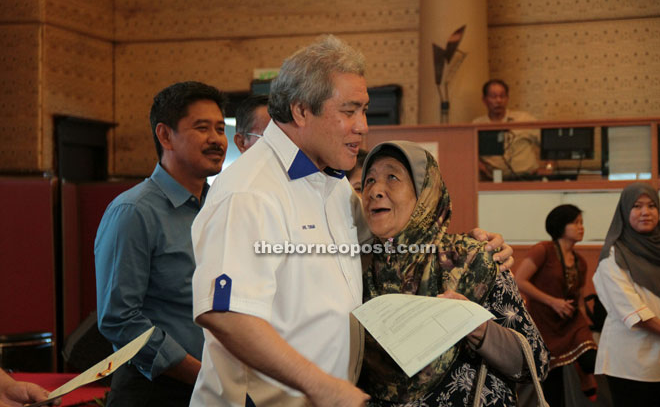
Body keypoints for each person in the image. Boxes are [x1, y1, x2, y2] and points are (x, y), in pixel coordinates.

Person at [190, 35, 513, 406]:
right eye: (349, 111)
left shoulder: (331, 186)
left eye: (364, 110)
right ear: (300, 111)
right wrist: (321, 385)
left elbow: (397, 237)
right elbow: (225, 314)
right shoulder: (251, 191)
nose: (363, 126)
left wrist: (474, 246)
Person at [357, 141, 549, 406]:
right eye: (368, 181)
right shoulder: (355, 270)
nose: (375, 190)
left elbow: (535, 364)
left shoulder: (471, 259)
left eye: (392, 177)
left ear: (426, 191)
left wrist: (478, 327)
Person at [95, 81, 227, 407]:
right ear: (165, 135)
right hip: (154, 391)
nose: (216, 139)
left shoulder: (220, 208)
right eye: (202, 127)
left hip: (216, 388)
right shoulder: (134, 212)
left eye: (221, 128)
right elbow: (119, 319)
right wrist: (201, 373)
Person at [515, 205, 597, 406]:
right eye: (575, 223)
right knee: (553, 386)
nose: (581, 228)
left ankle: (585, 375)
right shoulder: (544, 249)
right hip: (544, 322)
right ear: (560, 225)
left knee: (590, 359)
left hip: (570, 320)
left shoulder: (580, 261)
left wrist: (586, 324)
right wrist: (553, 302)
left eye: (582, 223)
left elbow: (578, 296)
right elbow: (519, 280)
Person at [593, 183, 660, 405]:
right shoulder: (613, 256)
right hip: (631, 364)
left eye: (652, 205)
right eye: (637, 206)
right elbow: (634, 312)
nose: (645, 212)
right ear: (624, 212)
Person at [473, 79, 540, 180]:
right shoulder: (477, 125)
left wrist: (550, 165)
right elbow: (467, 153)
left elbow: (547, 142)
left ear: (507, 98)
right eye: (493, 96)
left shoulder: (524, 120)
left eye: (502, 96)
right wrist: (479, 165)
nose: (498, 100)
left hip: (528, 179)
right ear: (484, 100)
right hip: (494, 181)